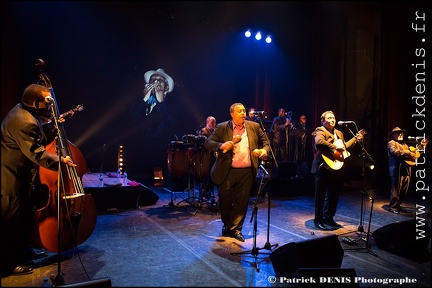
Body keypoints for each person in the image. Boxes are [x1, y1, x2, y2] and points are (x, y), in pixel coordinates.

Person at [1, 84, 76, 277]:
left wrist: (48, 124)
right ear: (35, 103)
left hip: (21, 176)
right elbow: (36, 153)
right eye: (47, 102)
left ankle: (24, 250)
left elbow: (33, 130)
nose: (50, 106)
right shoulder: (25, 122)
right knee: (12, 224)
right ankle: (8, 264)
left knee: (24, 217)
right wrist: (61, 161)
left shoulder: (22, 110)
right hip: (12, 180)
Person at [204, 103, 269, 242]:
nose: (243, 113)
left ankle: (236, 229)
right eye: (239, 111)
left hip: (246, 172)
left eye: (244, 111)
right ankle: (227, 224)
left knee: (242, 202)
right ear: (232, 114)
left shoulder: (254, 126)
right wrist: (221, 145)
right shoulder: (222, 127)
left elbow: (266, 143)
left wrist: (264, 151)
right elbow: (208, 143)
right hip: (227, 171)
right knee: (225, 201)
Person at [311, 110, 363, 230]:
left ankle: (328, 218)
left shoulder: (339, 133)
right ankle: (318, 220)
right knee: (320, 196)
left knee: (333, 195)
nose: (332, 120)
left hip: (335, 167)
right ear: (322, 121)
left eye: (333, 117)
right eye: (329, 118)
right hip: (322, 167)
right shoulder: (320, 130)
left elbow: (343, 148)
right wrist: (335, 147)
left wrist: (356, 139)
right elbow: (319, 142)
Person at [386, 127, 417, 214]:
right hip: (397, 169)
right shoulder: (391, 143)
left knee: (404, 189)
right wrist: (408, 152)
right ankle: (392, 207)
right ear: (393, 135)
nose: (400, 134)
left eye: (402, 133)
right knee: (396, 189)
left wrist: (413, 155)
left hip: (406, 169)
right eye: (398, 133)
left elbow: (410, 156)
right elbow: (395, 152)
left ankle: (398, 205)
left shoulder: (405, 145)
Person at [196, 116, 217, 201]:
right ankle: (203, 193)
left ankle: (209, 193)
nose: (214, 124)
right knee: (205, 175)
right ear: (207, 122)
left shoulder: (215, 131)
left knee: (212, 175)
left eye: (215, 122)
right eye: (212, 122)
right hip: (205, 157)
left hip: (213, 157)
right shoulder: (203, 131)